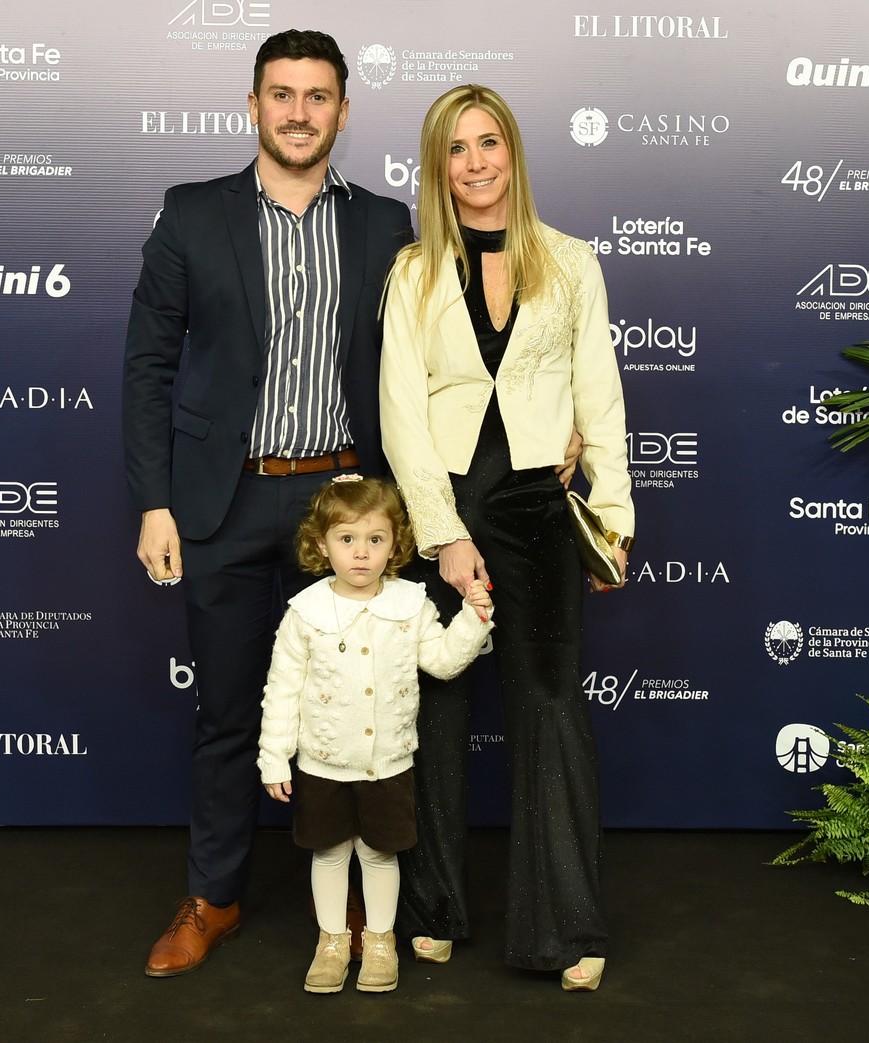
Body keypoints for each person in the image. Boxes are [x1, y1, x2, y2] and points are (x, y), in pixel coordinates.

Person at [123, 29, 414, 978]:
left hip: (346, 507)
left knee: (374, 712)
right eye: (281, 94)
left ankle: (375, 908)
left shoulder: (384, 225)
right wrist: (154, 502)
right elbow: (148, 366)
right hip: (224, 500)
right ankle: (215, 896)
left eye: (317, 96)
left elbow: (430, 366)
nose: (298, 111)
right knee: (227, 715)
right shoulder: (192, 214)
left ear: (341, 110)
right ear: (252, 106)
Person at [378, 84, 634, 992]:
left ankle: (563, 924)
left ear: (513, 154)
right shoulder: (411, 272)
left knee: (550, 707)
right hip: (443, 508)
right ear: (436, 166)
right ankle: (436, 908)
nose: (475, 162)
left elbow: (597, 392)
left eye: (489, 143)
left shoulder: (571, 260)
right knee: (436, 720)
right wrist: (442, 536)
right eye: (456, 148)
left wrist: (613, 518)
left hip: (535, 510)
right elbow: (402, 416)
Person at [257, 475, 494, 993]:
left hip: (388, 762)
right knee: (329, 853)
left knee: (380, 853)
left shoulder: (411, 604)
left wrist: (474, 619)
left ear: (395, 543)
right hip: (322, 764)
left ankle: (381, 941)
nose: (361, 553)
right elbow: (282, 690)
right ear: (322, 545)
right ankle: (332, 941)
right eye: (347, 540)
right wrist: (274, 758)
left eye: (375, 539)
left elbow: (443, 662)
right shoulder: (306, 612)